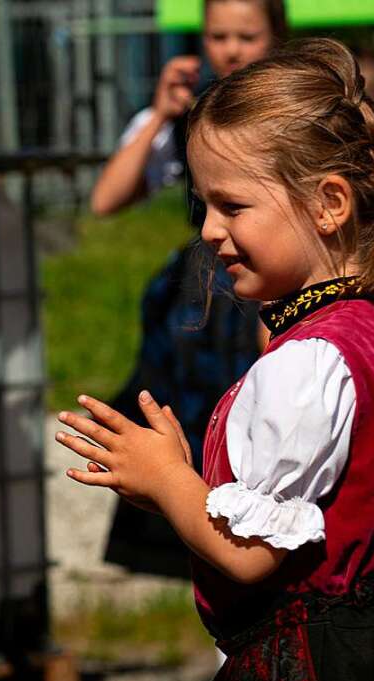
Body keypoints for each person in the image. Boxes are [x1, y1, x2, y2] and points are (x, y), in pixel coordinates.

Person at [57, 38, 374, 681]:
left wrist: (169, 483)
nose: (206, 230)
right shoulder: (348, 332)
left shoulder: (307, 361)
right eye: (202, 204)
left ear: (328, 204)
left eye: (232, 205)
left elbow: (254, 556)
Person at [95, 0, 287, 579]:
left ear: (276, 37)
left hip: (270, 282)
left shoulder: (292, 110)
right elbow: (106, 199)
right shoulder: (190, 112)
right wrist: (158, 114)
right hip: (206, 299)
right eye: (217, 36)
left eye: (246, 36)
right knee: (191, 421)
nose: (230, 49)